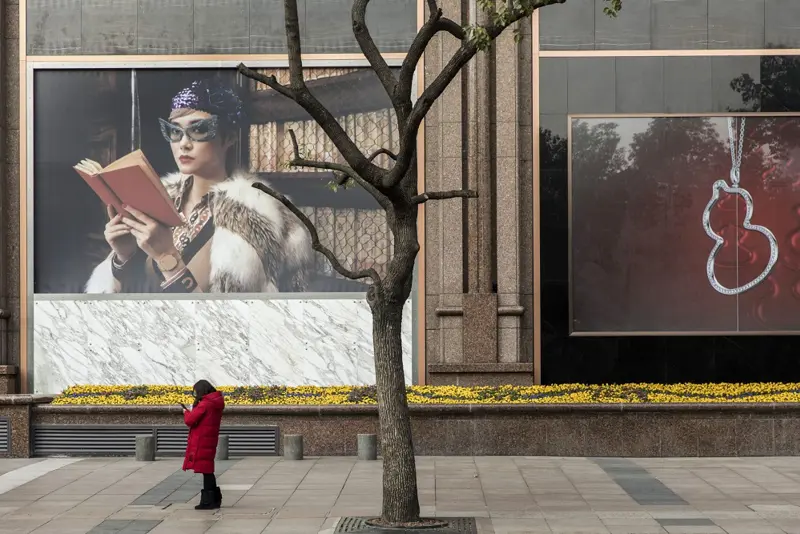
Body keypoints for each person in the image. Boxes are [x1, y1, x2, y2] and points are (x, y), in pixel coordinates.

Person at [84, 78, 313, 294]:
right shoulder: (157, 199)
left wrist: (166, 256)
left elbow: (237, 324)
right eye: (175, 131)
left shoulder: (265, 220)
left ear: (230, 137)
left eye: (199, 129)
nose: (184, 143)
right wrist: (123, 257)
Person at [183, 379, 225, 510]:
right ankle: (214, 499)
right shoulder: (215, 402)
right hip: (209, 439)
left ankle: (208, 501)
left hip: (202, 440)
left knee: (206, 470)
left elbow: (190, 420)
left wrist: (186, 412)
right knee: (208, 469)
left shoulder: (205, 404)